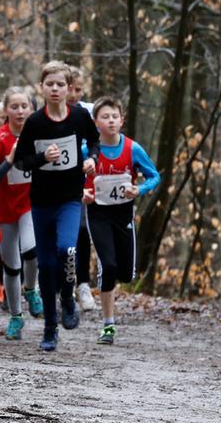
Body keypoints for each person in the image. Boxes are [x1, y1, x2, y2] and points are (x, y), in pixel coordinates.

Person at [12, 61, 100, 351]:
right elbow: (21, 160)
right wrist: (41, 159)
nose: (55, 89)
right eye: (49, 84)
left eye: (60, 84)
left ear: (68, 88)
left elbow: (95, 141)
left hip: (70, 199)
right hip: (41, 201)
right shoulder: (35, 122)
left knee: (68, 249)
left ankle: (67, 295)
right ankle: (50, 328)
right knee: (46, 265)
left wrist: (92, 160)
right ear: (42, 87)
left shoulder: (79, 117)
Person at [82, 96, 159, 344]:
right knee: (109, 266)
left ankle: (110, 305)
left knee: (126, 274)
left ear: (122, 120)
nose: (111, 121)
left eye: (115, 116)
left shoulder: (132, 149)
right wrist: (81, 193)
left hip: (123, 213)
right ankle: (108, 324)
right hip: (98, 213)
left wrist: (140, 190)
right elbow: (68, 178)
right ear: (96, 122)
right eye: (105, 117)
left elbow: (154, 176)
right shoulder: (87, 151)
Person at [0, 86, 44, 340]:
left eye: (24, 106)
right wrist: (9, 160)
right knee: (11, 266)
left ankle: (31, 289)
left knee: (31, 250)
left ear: (31, 109)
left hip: (30, 205)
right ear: (6, 110)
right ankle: (16, 317)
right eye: (15, 107)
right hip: (4, 210)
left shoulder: (39, 135)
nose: (20, 111)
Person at [67, 65, 97, 311]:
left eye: (78, 89)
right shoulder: (48, 114)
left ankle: (83, 285)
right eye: (70, 88)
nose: (74, 94)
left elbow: (100, 141)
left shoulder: (88, 111)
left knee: (82, 230)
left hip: (85, 178)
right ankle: (59, 286)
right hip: (56, 180)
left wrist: (91, 158)